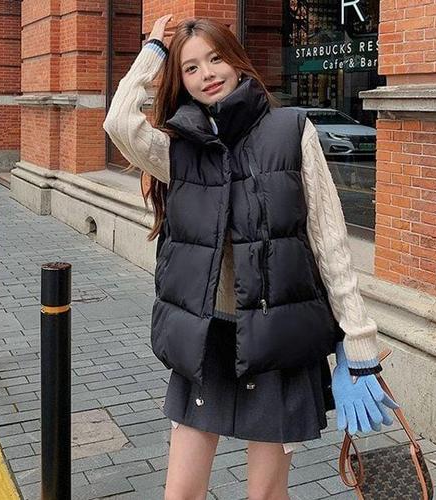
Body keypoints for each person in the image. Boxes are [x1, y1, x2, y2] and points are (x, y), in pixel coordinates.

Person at [103, 15, 398, 500]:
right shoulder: (178, 148)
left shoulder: (291, 131)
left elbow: (330, 243)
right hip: (208, 340)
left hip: (276, 337)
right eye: (191, 67)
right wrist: (153, 54)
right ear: (181, 79)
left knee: (265, 495)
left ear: (237, 61)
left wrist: (359, 343)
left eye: (215, 58)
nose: (207, 74)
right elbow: (119, 123)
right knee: (180, 493)